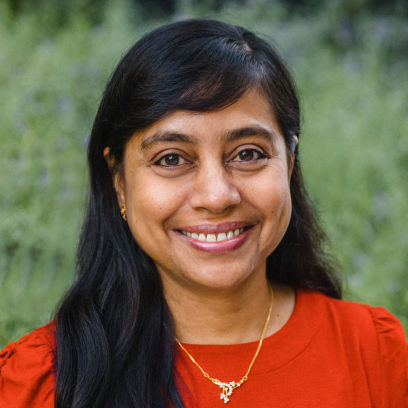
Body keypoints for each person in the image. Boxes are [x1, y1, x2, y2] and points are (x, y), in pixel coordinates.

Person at [0, 19, 407, 408]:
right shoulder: (42, 381)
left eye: (248, 154)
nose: (216, 196)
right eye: (172, 158)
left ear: (289, 161)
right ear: (119, 181)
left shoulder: (375, 356)